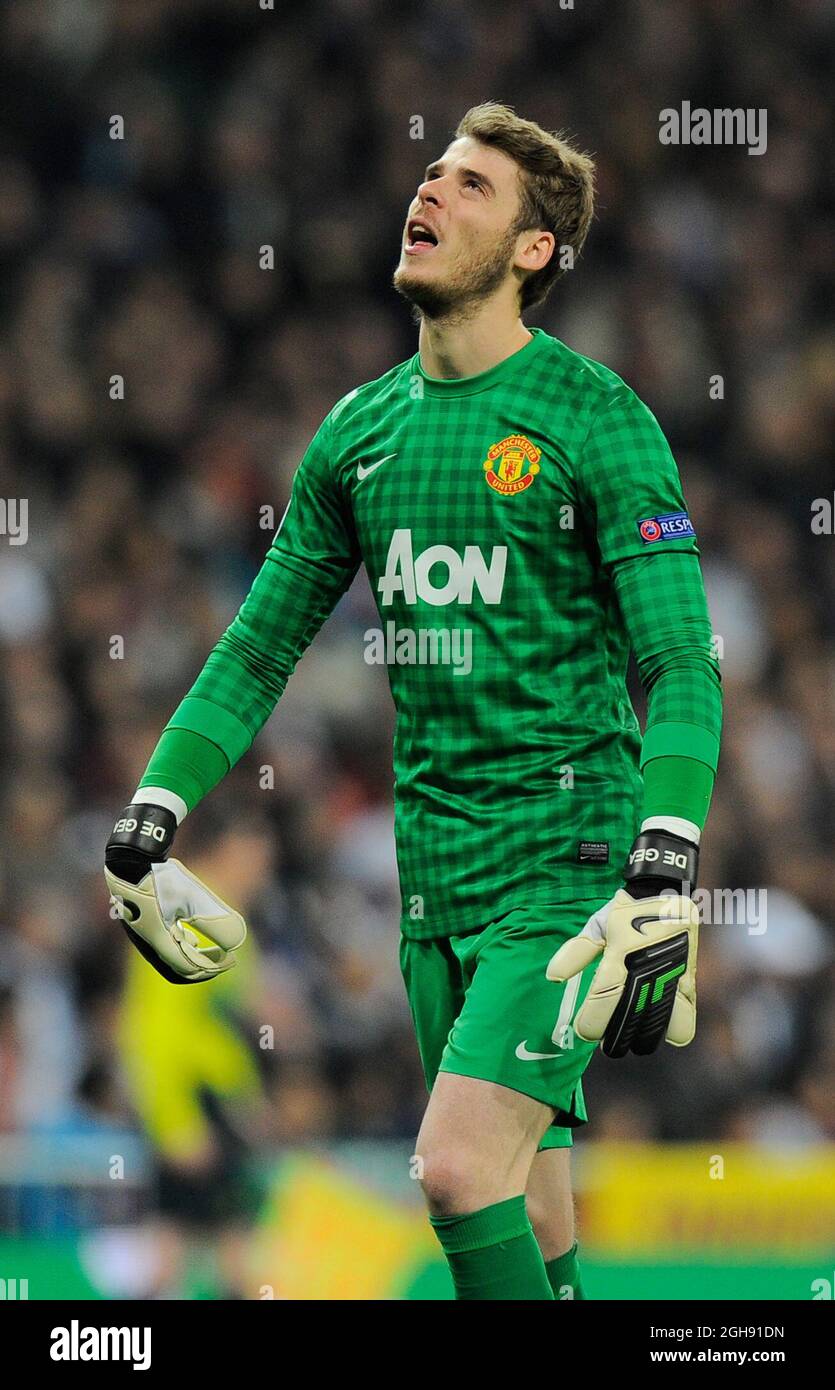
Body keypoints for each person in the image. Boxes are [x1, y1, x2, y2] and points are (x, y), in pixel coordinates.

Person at [104, 102, 721, 1300]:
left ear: (533, 250)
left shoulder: (596, 418)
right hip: (432, 875)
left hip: (566, 863)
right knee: (533, 1209)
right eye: (431, 173)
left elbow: (680, 662)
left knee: (449, 1172)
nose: (427, 195)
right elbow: (256, 651)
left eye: (471, 186)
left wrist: (665, 853)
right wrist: (153, 807)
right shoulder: (357, 434)